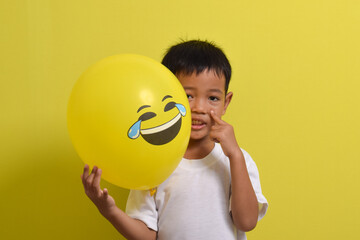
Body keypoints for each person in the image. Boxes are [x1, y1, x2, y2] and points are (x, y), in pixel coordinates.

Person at [81, 39, 268, 240]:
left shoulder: (237, 160)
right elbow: (148, 236)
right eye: (187, 96)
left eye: (212, 98)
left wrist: (235, 156)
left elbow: (247, 222)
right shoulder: (154, 165)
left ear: (226, 102)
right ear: (166, 95)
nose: (199, 108)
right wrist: (110, 211)